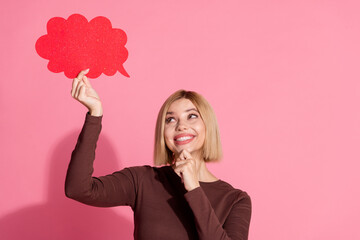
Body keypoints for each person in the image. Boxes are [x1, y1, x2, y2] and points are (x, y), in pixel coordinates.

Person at [65, 69, 252, 240]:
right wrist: (95, 113)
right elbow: (78, 189)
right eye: (170, 119)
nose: (181, 126)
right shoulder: (143, 181)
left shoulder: (235, 200)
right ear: (163, 132)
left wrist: (194, 188)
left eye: (192, 116)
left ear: (207, 126)